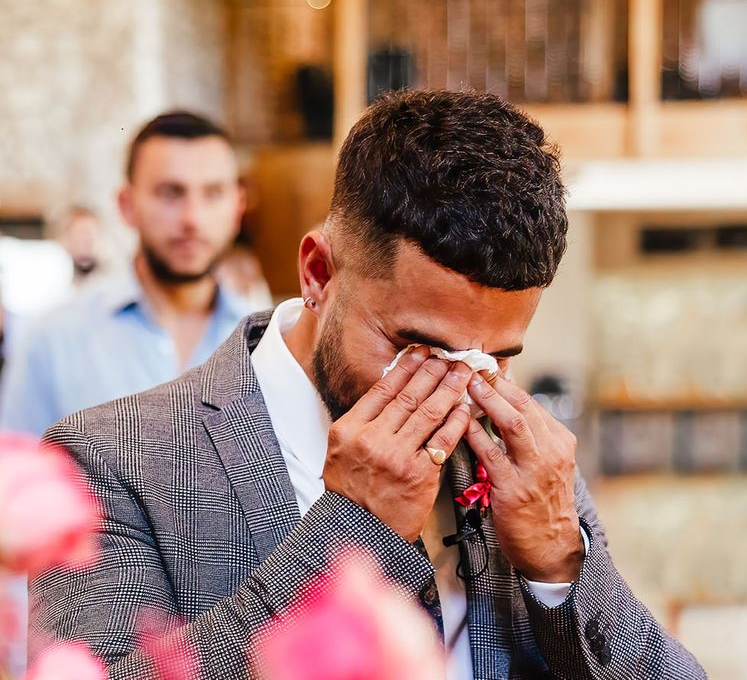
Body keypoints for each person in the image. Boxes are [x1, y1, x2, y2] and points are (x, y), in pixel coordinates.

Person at [30, 91, 705, 679]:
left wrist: (561, 565)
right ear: (319, 273)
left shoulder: (521, 460)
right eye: (417, 346)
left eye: (493, 358)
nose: (455, 391)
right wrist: (352, 532)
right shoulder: (110, 463)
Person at [0, 112, 249, 437]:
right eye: (170, 193)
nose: (193, 218)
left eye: (213, 193)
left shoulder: (265, 343)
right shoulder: (53, 340)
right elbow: (19, 478)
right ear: (127, 205)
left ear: (237, 207)